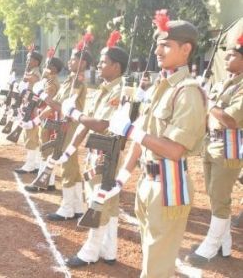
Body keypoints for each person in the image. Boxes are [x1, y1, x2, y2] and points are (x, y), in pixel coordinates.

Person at [106, 18, 206, 277]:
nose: (157, 51)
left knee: (156, 267)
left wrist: (130, 130)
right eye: (157, 46)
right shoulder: (159, 88)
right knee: (154, 259)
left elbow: (174, 149)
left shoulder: (187, 92)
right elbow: (142, 138)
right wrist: (123, 177)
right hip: (147, 183)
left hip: (169, 186)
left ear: (186, 49)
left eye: (166, 45)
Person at [58, 38, 128, 267]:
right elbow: (86, 124)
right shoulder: (103, 90)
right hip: (96, 151)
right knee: (106, 201)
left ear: (116, 66)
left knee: (98, 202)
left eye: (102, 62)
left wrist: (74, 113)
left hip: (108, 153)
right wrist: (70, 148)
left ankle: (90, 251)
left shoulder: (121, 92)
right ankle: (109, 249)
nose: (98, 66)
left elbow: (100, 124)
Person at [186, 34, 243, 265]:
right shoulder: (225, 82)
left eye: (233, 55)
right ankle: (224, 243)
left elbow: (231, 119)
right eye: (226, 54)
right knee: (212, 194)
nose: (227, 58)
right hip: (212, 143)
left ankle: (210, 246)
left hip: (229, 145)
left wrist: (209, 102)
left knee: (219, 197)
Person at [24, 48, 90, 223]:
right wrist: (38, 119)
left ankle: (67, 208)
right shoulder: (71, 80)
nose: (69, 61)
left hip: (70, 126)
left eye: (73, 59)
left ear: (82, 63)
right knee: (72, 168)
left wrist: (42, 94)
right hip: (65, 125)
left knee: (68, 166)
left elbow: (63, 106)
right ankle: (77, 207)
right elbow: (55, 105)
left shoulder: (77, 82)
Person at [15, 56, 63, 175]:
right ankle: (38, 168)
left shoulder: (51, 83)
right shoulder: (47, 81)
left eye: (47, 66)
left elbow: (48, 102)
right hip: (42, 114)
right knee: (41, 142)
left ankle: (44, 176)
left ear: (54, 69)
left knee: (45, 146)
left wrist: (39, 93)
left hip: (48, 117)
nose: (44, 68)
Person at [14, 51, 42, 174]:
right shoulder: (32, 72)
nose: (27, 61)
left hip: (32, 106)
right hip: (29, 105)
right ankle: (35, 163)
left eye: (29, 59)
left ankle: (30, 165)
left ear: (36, 62)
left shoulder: (35, 72)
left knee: (30, 136)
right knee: (33, 136)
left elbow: (34, 79)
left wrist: (26, 78)